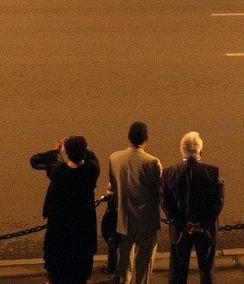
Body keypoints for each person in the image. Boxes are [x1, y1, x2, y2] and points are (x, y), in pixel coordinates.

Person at [30, 136, 100, 284]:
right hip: (83, 229)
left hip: (61, 230)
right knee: (80, 273)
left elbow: (48, 161)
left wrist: (58, 150)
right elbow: (92, 158)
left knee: (58, 273)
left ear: (67, 152)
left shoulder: (59, 173)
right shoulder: (92, 170)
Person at [161, 132, 224, 284]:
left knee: (178, 270)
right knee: (207, 269)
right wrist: (203, 223)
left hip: (180, 229)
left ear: (182, 151)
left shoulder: (169, 174)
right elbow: (218, 203)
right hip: (205, 229)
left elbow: (165, 203)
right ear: (200, 152)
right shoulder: (213, 173)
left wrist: (183, 223)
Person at [109, 122, 162, 284]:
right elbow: (161, 190)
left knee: (125, 255)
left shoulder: (114, 158)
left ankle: (124, 280)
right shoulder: (152, 162)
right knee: (144, 260)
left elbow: (113, 184)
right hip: (146, 220)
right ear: (146, 138)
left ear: (128, 137)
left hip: (124, 217)